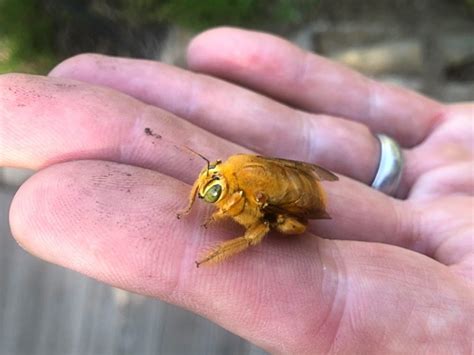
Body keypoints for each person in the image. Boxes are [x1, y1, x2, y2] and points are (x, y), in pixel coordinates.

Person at [1, 28, 472, 353]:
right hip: (286, 173)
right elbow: (216, 179)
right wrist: (192, 206)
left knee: (272, 229)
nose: (205, 189)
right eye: (207, 186)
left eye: (210, 192)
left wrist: (218, 250)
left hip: (290, 198)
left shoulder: (250, 200)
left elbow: (255, 231)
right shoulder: (227, 170)